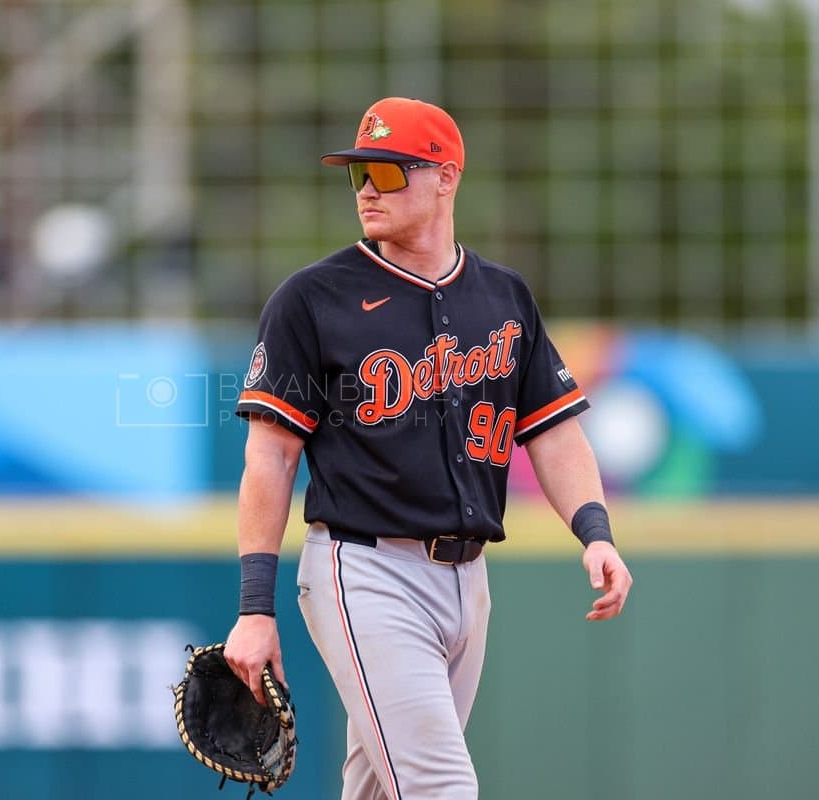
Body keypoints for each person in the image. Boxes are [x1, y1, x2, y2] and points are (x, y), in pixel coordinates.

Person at [225, 96, 633, 799]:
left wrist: (594, 531)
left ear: (446, 177)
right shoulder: (313, 298)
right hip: (367, 572)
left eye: (386, 172)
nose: (365, 191)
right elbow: (271, 457)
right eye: (357, 174)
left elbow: (554, 432)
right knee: (441, 788)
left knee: (383, 790)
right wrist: (254, 607)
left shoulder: (504, 297)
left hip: (468, 581)